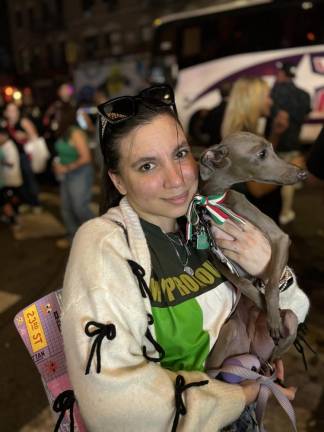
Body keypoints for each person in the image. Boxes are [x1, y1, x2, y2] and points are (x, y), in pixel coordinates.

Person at [61, 85, 309, 431]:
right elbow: (115, 408)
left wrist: (272, 274)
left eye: (179, 154)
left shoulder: (206, 217)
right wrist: (239, 396)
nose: (176, 179)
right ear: (118, 180)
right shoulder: (104, 245)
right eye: (147, 166)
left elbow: (293, 309)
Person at [221, 77, 289, 223]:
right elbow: (257, 189)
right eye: (267, 96)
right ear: (253, 99)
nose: (271, 101)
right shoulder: (244, 139)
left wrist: (275, 135)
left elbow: (262, 162)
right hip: (256, 220)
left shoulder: (246, 134)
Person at [268, 62, 311, 225]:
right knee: (288, 182)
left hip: (275, 144)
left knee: (272, 181)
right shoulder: (304, 95)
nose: (277, 75)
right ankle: (285, 213)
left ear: (283, 74)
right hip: (292, 144)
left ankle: (276, 214)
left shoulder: (274, 92)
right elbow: (305, 115)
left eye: (279, 72)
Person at [53, 105, 95, 249]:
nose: (55, 117)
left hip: (80, 173)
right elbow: (62, 152)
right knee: (66, 207)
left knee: (79, 207)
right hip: (67, 174)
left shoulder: (76, 133)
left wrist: (67, 167)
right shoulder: (63, 132)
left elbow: (86, 157)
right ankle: (73, 238)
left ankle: (97, 235)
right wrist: (58, 164)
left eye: (58, 114)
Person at [3, 102, 42, 212]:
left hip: (25, 155)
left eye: (15, 110)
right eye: (10, 110)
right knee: (19, 181)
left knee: (29, 179)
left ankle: (36, 203)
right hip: (13, 157)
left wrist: (25, 135)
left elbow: (35, 136)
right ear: (6, 112)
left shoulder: (23, 121)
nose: (13, 113)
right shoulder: (6, 124)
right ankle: (26, 201)